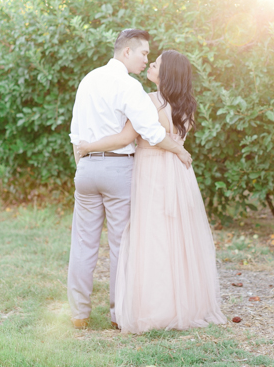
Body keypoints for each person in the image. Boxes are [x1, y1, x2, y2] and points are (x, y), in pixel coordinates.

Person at [77, 49, 226, 333]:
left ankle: (153, 307)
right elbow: (174, 140)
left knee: (150, 236)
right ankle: (179, 303)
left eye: (156, 64)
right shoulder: (186, 107)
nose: (150, 65)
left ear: (165, 74)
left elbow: (124, 137)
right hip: (178, 173)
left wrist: (88, 146)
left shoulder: (146, 102)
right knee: (176, 238)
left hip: (150, 170)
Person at [67, 30, 192, 330]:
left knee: (82, 244)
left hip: (85, 168)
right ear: (126, 52)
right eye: (144, 53)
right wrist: (179, 150)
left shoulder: (88, 80)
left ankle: (79, 314)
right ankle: (116, 314)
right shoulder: (129, 86)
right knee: (121, 246)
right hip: (119, 169)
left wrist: (80, 165)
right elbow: (150, 132)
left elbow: (75, 132)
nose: (147, 59)